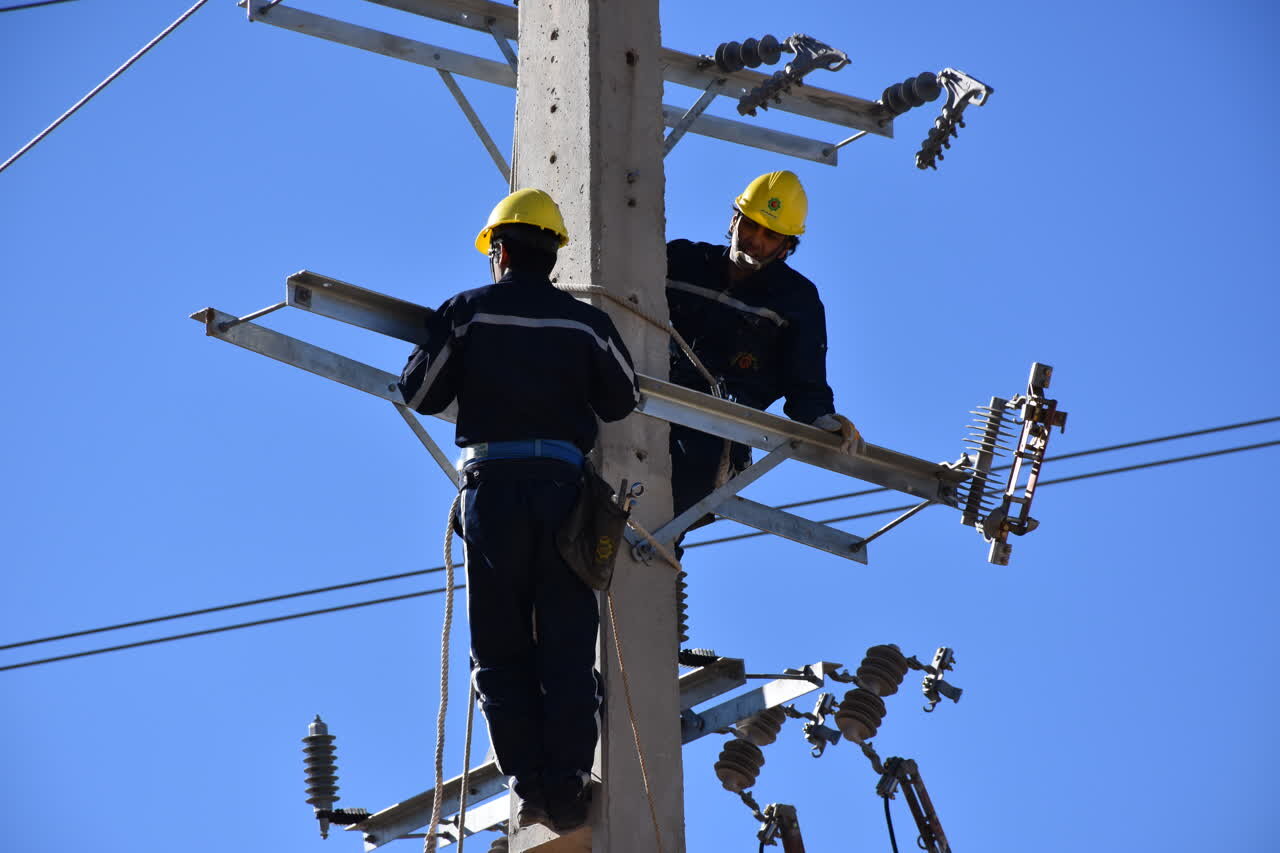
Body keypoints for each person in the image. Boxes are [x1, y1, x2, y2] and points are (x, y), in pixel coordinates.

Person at [398, 188, 639, 833]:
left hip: (494, 493)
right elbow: (622, 399)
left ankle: (529, 789)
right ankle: (566, 785)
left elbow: (418, 390)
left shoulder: (468, 312)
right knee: (565, 643)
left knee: (501, 647)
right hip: (564, 493)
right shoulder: (587, 323)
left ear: (498, 251)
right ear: (554, 255)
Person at [666, 170, 861, 523]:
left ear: (787, 246)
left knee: (660, 527)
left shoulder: (796, 300)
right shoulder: (682, 261)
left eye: (770, 234)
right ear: (734, 219)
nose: (755, 239)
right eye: (750, 225)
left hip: (713, 436)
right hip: (644, 400)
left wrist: (825, 420)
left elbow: (806, 386)